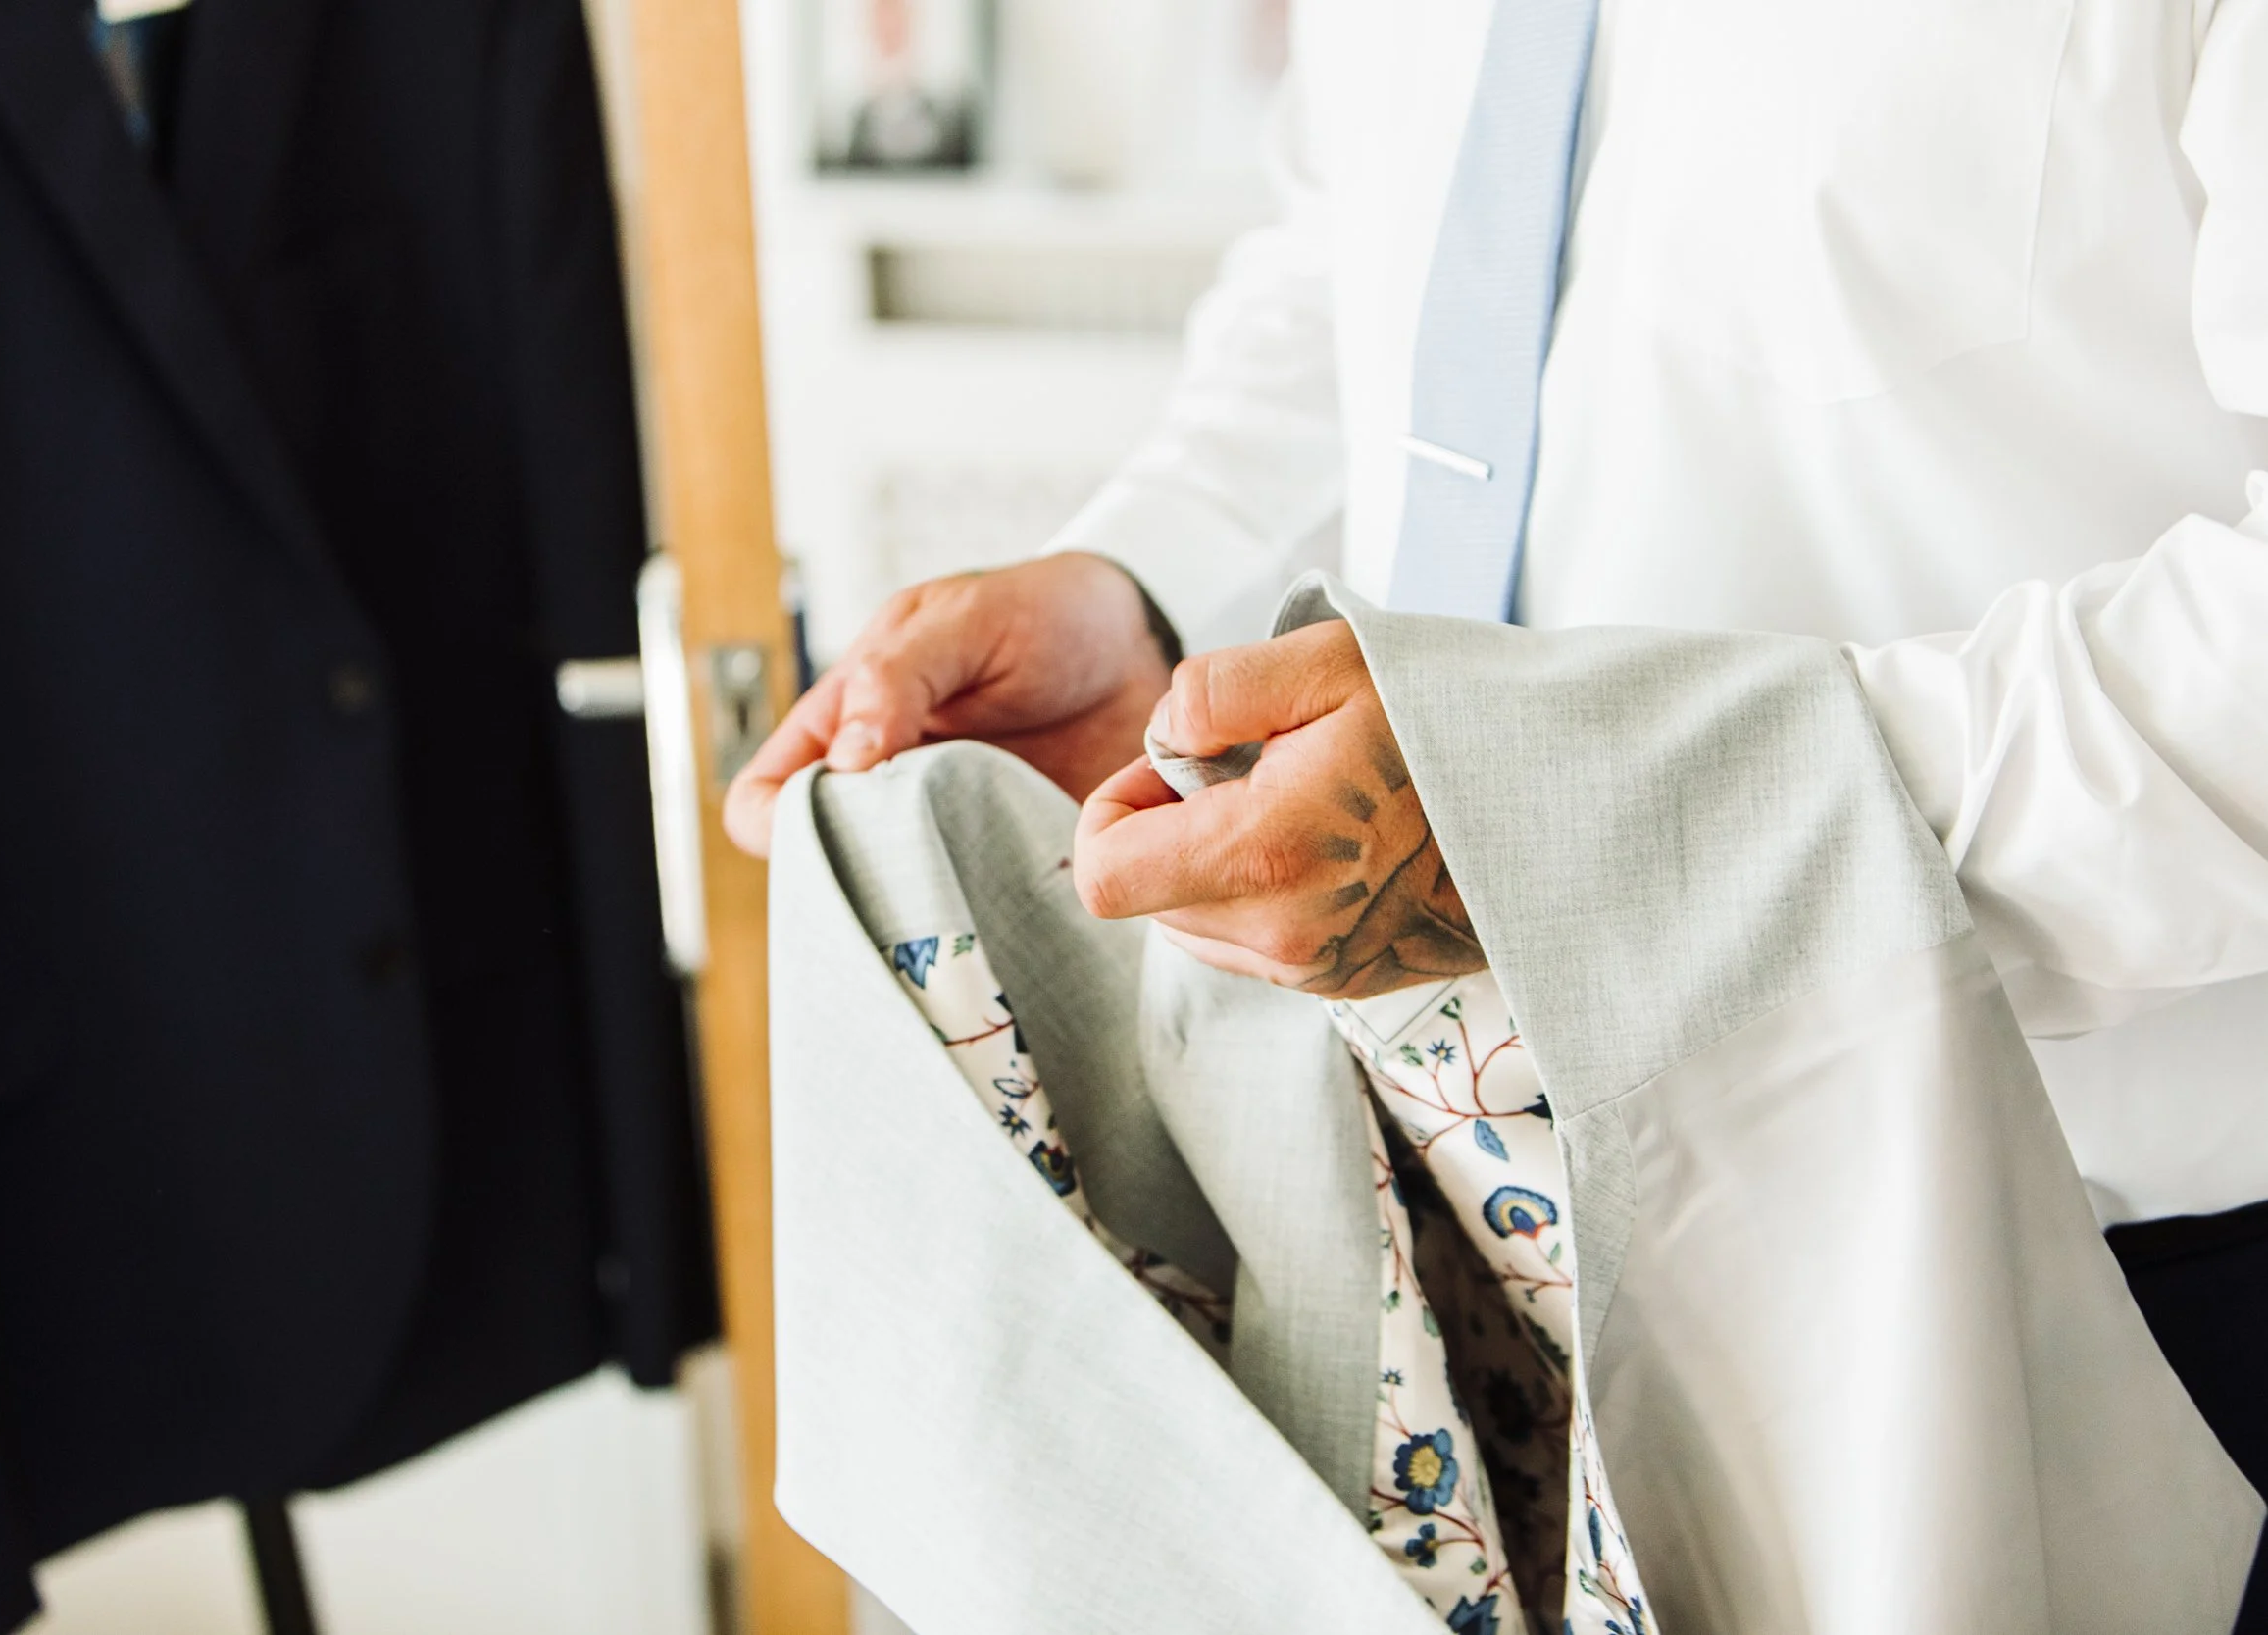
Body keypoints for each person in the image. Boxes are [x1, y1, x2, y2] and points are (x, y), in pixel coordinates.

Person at [728, 0, 2268, 1559]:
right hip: (1460, 1236)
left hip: (2110, 1305)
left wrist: (1594, 836)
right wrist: (1151, 594)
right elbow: (1373, 256)